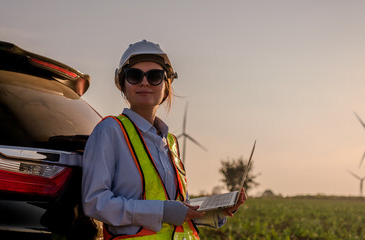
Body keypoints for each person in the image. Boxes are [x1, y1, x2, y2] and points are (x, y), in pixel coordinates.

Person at [82, 40, 246, 239]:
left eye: (154, 76)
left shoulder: (170, 142)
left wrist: (219, 210)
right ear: (123, 85)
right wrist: (163, 211)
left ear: (166, 85)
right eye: (134, 76)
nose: (144, 82)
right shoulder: (110, 131)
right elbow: (96, 202)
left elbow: (178, 211)